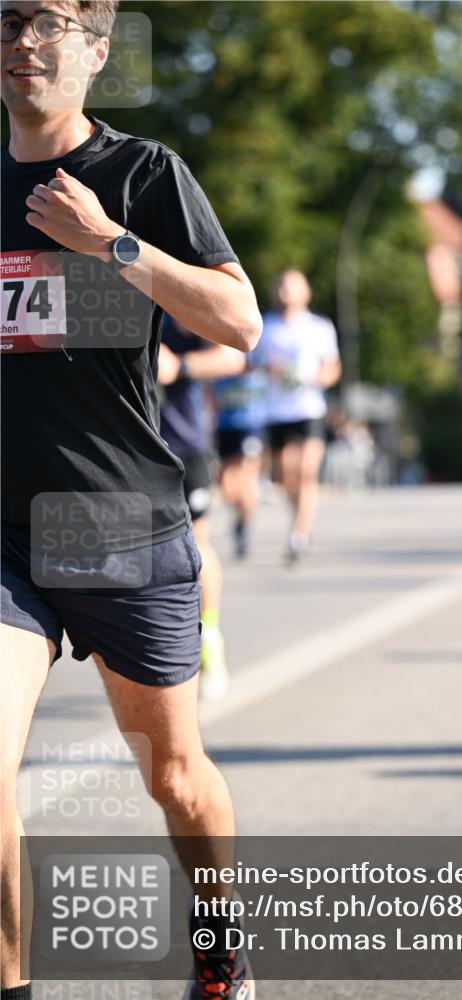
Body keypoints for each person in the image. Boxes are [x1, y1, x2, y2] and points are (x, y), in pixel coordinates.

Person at [0, 4, 262, 999]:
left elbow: (238, 322)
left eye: (48, 20)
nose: (23, 39)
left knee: (174, 777)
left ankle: (218, 949)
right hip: (9, 535)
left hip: (119, 521)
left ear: (97, 50)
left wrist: (111, 243)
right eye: (6, 19)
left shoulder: (142, 175)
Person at [158, 314, 246, 699]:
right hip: (117, 447)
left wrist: (178, 366)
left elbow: (233, 354)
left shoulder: (163, 280)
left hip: (181, 443)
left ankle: (208, 635)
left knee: (195, 543)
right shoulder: (87, 284)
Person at [254, 268, 342, 564]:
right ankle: (300, 518)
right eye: (281, 285)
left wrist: (315, 377)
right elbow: (254, 364)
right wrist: (274, 370)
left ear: (306, 292)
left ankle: (298, 535)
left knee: (306, 472)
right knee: (285, 478)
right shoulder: (266, 326)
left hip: (309, 409)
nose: (285, 291)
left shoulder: (319, 326)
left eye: (292, 286)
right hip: (277, 410)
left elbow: (332, 368)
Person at [212, 365, 267, 559]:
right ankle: (242, 516)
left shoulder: (253, 350)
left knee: (244, 474)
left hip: (250, 425)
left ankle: (244, 524)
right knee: (226, 485)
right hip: (225, 426)